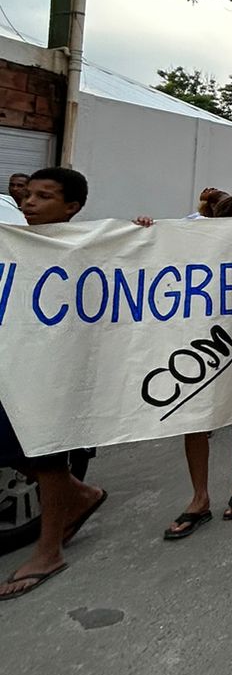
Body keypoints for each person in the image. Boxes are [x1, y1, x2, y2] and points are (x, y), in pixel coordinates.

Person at [0, 168, 108, 602]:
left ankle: (49, 552)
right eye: (28, 194)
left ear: (72, 208)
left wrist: (144, 233)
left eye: (44, 196)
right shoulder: (10, 242)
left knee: (46, 458)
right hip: (14, 365)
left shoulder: (90, 245)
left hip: (56, 369)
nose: (29, 202)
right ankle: (81, 494)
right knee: (13, 449)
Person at [161, 191, 232, 539]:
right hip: (200, 339)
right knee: (194, 418)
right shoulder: (198, 242)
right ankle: (199, 497)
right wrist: (146, 230)